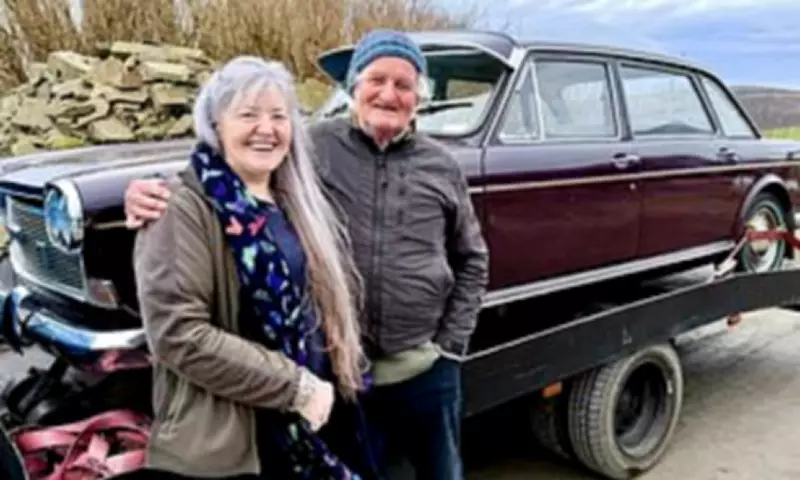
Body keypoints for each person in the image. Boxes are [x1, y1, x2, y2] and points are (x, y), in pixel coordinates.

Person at [125, 29, 490, 480]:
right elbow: (230, 164)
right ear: (354, 86)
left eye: (404, 84)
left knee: (443, 471)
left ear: (419, 98)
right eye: (376, 80)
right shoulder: (313, 146)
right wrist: (149, 188)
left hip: (425, 369)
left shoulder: (443, 165)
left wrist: (450, 346)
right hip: (344, 377)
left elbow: (472, 258)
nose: (388, 94)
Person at [132, 55, 373, 479]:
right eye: (248, 115)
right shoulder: (178, 208)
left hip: (308, 424)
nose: (267, 128)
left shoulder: (292, 198)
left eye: (279, 116)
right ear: (216, 124)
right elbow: (178, 333)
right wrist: (296, 387)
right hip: (237, 440)